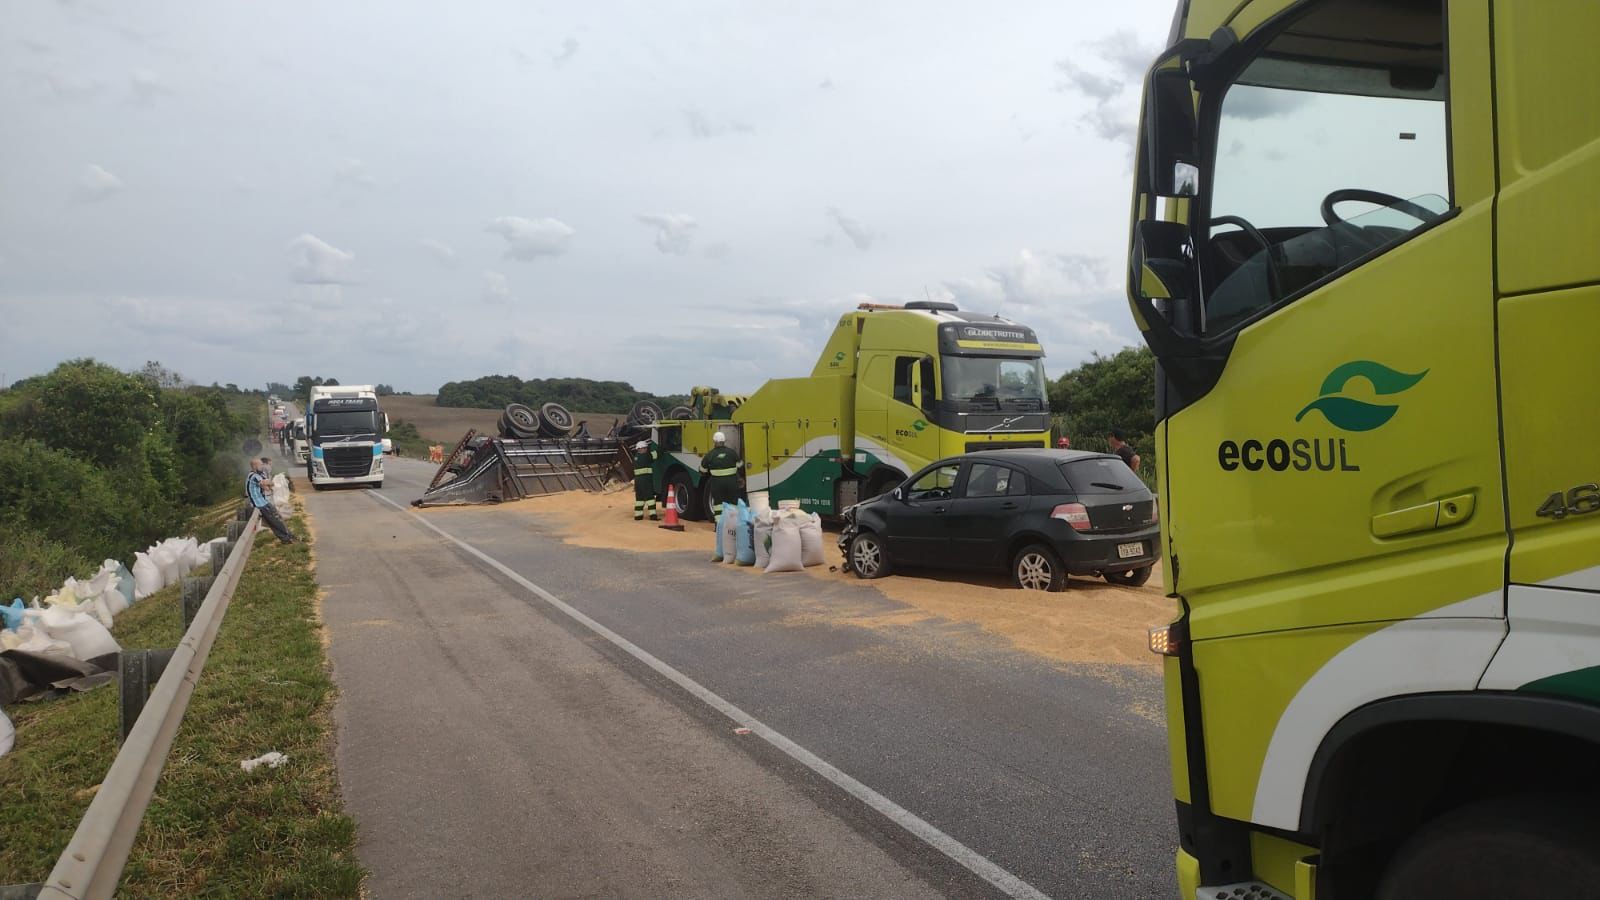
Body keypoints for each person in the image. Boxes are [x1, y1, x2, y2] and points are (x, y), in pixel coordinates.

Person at [246, 458, 296, 543]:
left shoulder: (259, 474)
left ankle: (287, 537)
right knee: (275, 520)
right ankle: (287, 537)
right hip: (259, 504)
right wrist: (272, 483)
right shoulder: (253, 475)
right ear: (255, 466)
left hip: (263, 502)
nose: (262, 466)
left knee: (276, 519)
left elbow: (268, 488)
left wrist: (268, 484)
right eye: (260, 465)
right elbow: (265, 484)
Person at [699, 431, 745, 512]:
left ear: (714, 442)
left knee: (718, 505)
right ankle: (732, 522)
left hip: (717, 484)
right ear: (724, 441)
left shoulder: (710, 455)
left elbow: (702, 471)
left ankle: (719, 522)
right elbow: (741, 466)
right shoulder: (732, 452)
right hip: (732, 483)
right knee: (733, 504)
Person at [631, 440, 659, 521]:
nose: (646, 449)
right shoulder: (646, 456)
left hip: (638, 481)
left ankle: (638, 516)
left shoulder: (636, 457)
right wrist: (662, 447)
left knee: (639, 498)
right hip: (645, 480)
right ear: (641, 449)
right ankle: (653, 515)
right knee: (650, 497)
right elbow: (656, 454)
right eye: (645, 448)